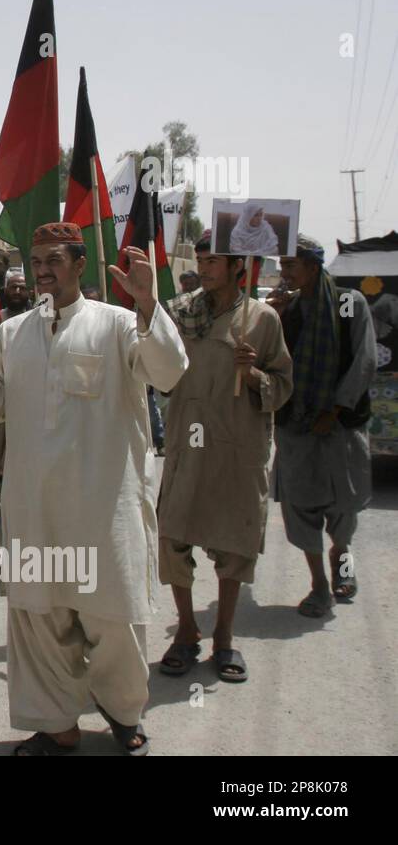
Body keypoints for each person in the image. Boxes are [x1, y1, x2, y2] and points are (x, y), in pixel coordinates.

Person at [0, 223, 188, 756]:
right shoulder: (11, 333)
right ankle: (57, 725)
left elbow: (170, 372)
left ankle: (124, 714)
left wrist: (148, 302)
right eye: (36, 260)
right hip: (34, 509)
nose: (42, 270)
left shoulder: (119, 324)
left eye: (54, 260)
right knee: (39, 621)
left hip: (102, 509)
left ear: (80, 263)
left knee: (114, 619)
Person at [156, 232, 292, 681]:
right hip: (188, 440)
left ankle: (225, 637)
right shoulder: (180, 313)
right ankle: (186, 630)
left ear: (238, 266)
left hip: (237, 445)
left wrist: (252, 374)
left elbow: (283, 386)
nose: (204, 268)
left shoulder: (263, 319)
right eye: (200, 260)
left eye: (213, 260)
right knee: (173, 537)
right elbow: (157, 366)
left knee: (234, 542)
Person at [273, 234, 377, 618]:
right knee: (300, 506)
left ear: (312, 266)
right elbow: (273, 362)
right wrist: (275, 318)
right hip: (296, 425)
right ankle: (318, 585)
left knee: (344, 508)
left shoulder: (349, 303)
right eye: (282, 266)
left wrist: (335, 408)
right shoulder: (287, 309)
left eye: (290, 265)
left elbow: (364, 360)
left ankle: (342, 561)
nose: (284, 273)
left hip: (340, 426)